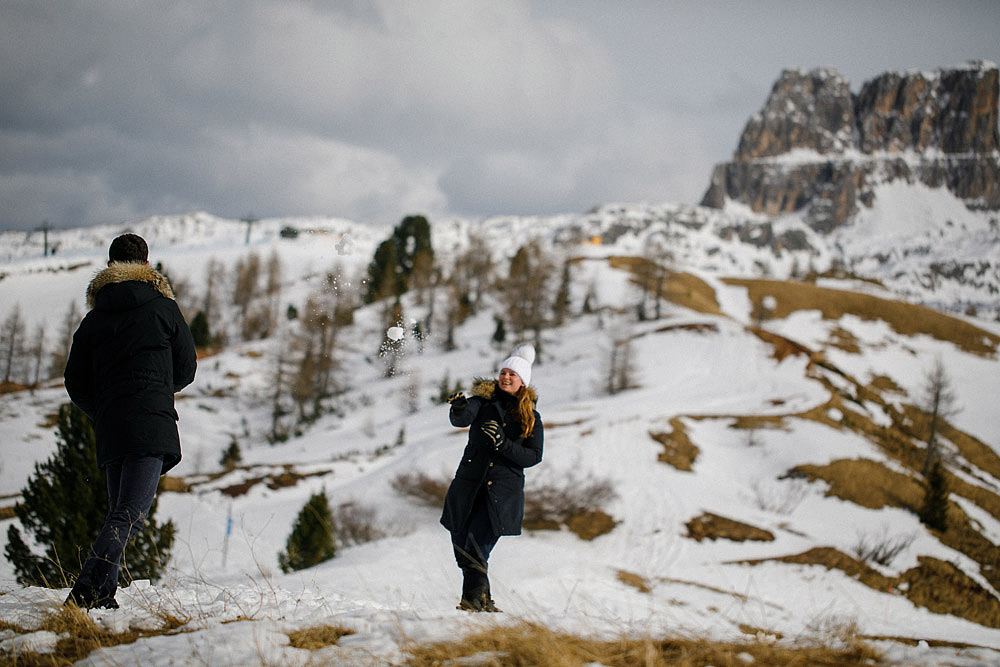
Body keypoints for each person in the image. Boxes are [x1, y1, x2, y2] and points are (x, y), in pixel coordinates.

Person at [63, 233, 197, 609]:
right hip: (150, 422)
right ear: (147, 265)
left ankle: (103, 596)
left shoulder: (93, 320)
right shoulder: (163, 309)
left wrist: (103, 409)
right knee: (130, 514)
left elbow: (75, 382)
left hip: (111, 427)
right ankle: (84, 594)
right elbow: (186, 368)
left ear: (109, 267)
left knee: (120, 512)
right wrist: (154, 392)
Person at [441, 343, 543, 612]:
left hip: (500, 494)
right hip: (467, 487)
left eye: (513, 375)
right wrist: (459, 407)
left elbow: (533, 457)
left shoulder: (530, 417)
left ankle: (472, 603)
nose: (506, 378)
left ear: (522, 382)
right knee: (462, 548)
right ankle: (484, 602)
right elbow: (462, 419)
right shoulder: (482, 402)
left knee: (476, 548)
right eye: (504, 373)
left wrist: (503, 444)